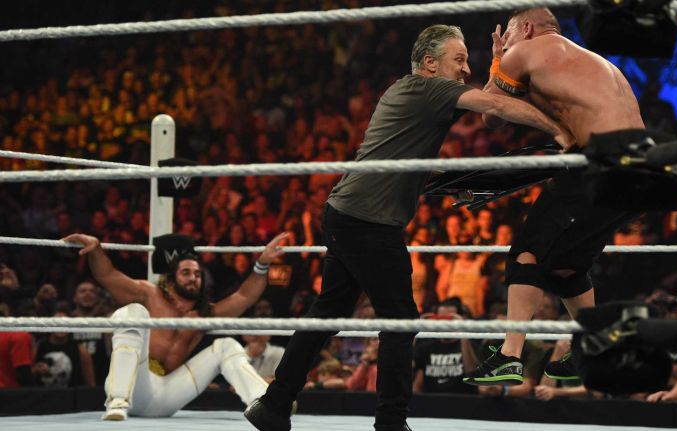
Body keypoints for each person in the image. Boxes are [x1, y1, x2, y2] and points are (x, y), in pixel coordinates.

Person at [245, 24, 571, 431]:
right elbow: (499, 109)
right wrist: (558, 128)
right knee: (400, 320)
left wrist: (497, 65)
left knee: (329, 310)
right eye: (459, 60)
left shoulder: (413, 93)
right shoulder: (425, 89)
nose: (465, 69)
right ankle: (391, 423)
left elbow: (485, 111)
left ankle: (274, 404)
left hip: (348, 213)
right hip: (367, 221)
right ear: (430, 64)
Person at [463, 8, 647, 386]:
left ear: (526, 29)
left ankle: (509, 355)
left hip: (602, 163)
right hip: (644, 172)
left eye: (510, 36)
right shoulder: (591, 61)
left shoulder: (524, 50)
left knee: (526, 253)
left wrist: (499, 57)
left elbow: (491, 114)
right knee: (567, 266)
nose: (508, 43)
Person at [62, 232, 289, 421]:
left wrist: (262, 264)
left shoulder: (203, 315)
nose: (193, 278)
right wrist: (96, 251)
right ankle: (117, 400)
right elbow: (108, 275)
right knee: (132, 312)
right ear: (171, 278)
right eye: (186, 272)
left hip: (167, 397)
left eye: (198, 274)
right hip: (135, 386)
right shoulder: (148, 294)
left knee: (226, 345)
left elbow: (244, 297)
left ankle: (265, 403)